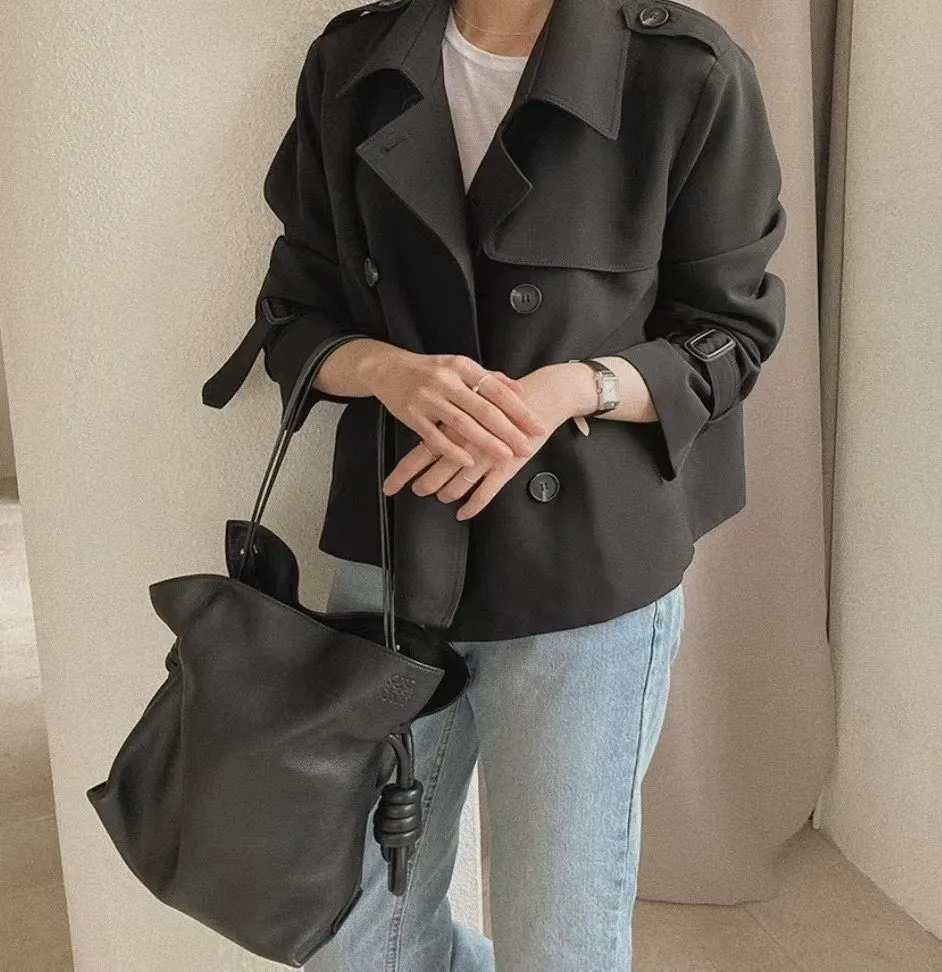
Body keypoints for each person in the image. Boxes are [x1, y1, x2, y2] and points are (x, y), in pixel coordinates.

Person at [202, 0, 786, 967]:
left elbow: (732, 333)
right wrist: (391, 371)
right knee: (357, 938)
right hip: (393, 562)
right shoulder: (354, 61)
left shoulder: (685, 70)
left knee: (558, 942)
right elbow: (295, 313)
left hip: (585, 578)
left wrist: (570, 389)